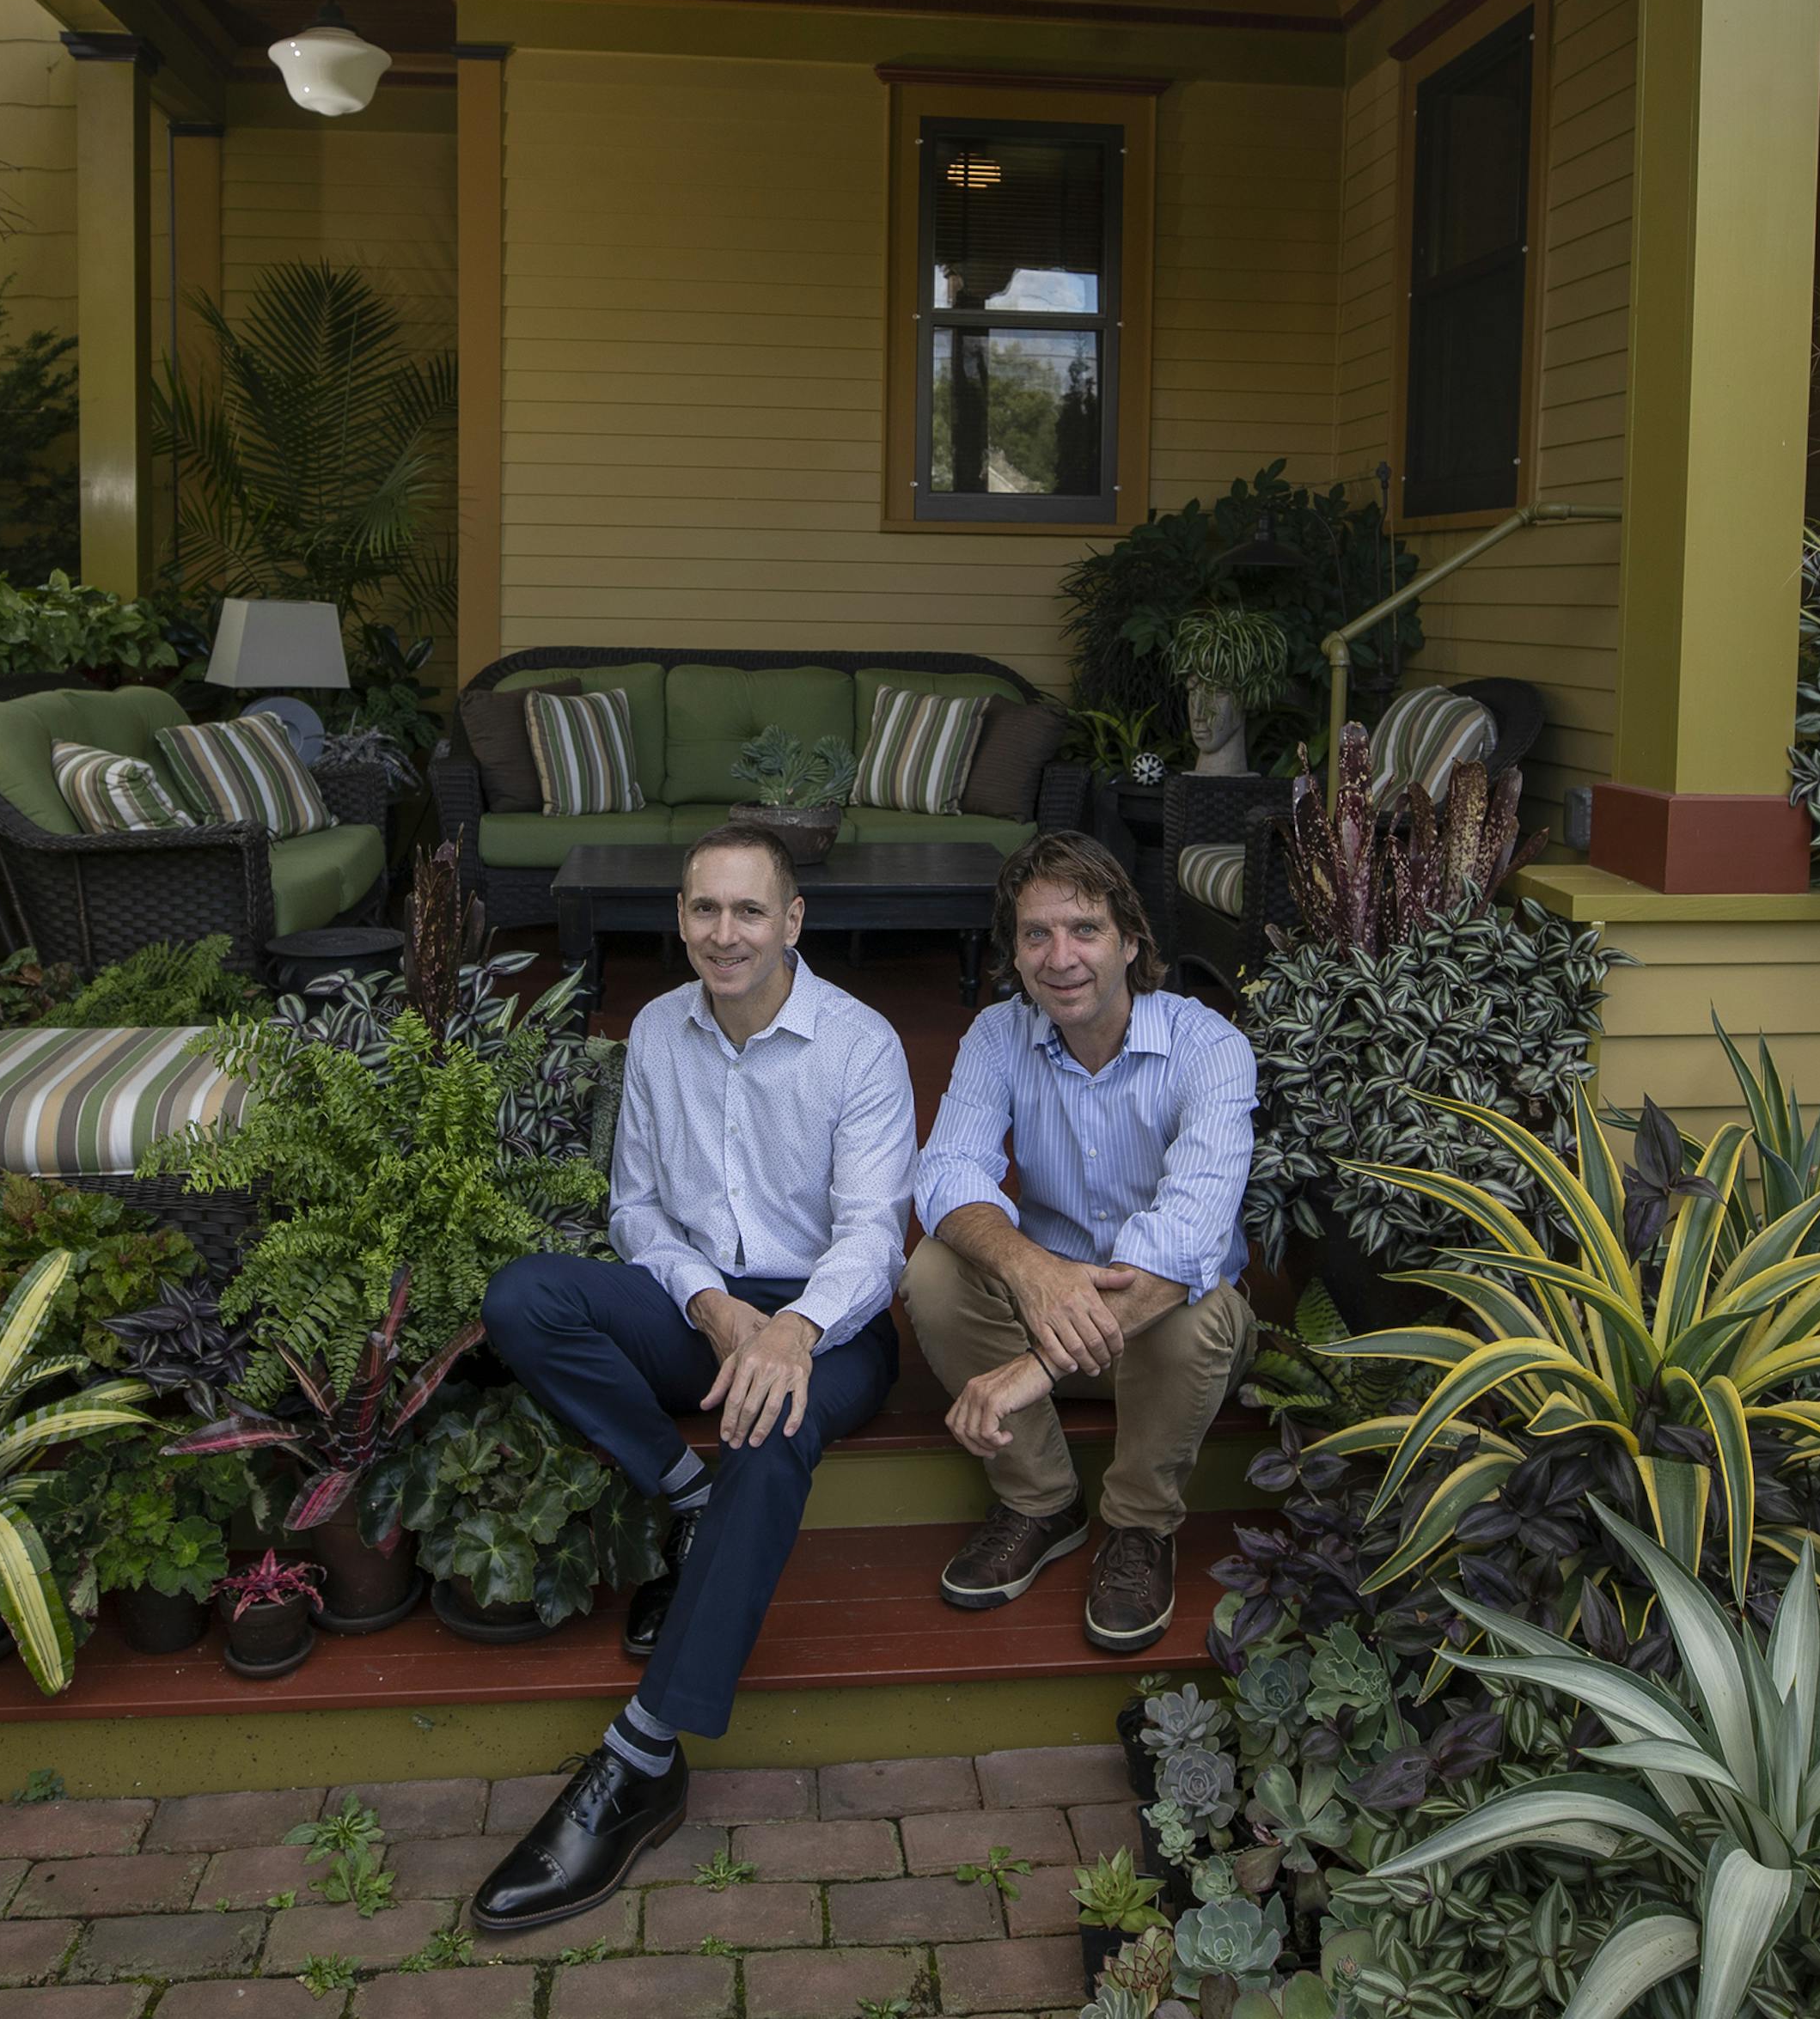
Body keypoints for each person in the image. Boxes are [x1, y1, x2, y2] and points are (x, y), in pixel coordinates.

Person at [471, 824, 915, 1932]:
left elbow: (876, 1236)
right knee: (526, 1296)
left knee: (770, 1427)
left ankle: (641, 1758)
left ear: (793, 922)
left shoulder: (860, 1046)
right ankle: (683, 1490)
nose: (726, 934)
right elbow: (636, 1210)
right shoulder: (658, 1032)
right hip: (704, 1304)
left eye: (749, 911)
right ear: (680, 919)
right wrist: (714, 1309)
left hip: (838, 1320)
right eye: (705, 911)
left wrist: (792, 1329)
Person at [901, 830, 1255, 1655]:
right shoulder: (998, 1036)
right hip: (1052, 1315)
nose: (1061, 957)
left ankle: (1139, 1527)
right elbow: (947, 1175)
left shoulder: (1209, 1047)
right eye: (1037, 934)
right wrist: (1032, 1272)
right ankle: (1041, 1502)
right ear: (1016, 954)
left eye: (1085, 930)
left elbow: (1185, 1240)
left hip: (1168, 1348)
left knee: (1194, 1308)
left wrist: (1032, 1369)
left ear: (1131, 942)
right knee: (935, 1268)